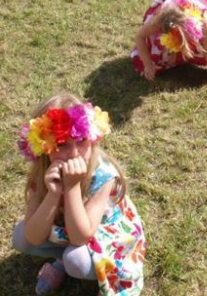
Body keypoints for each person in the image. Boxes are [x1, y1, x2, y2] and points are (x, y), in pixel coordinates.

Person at [11, 94, 146, 295]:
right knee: (21, 236)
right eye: (63, 144)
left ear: (92, 138)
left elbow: (80, 237)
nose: (74, 154)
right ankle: (61, 260)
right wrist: (53, 193)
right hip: (69, 227)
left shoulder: (104, 176)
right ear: (44, 146)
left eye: (82, 141)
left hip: (104, 234)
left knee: (76, 260)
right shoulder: (43, 174)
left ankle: (67, 262)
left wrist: (72, 188)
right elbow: (33, 237)